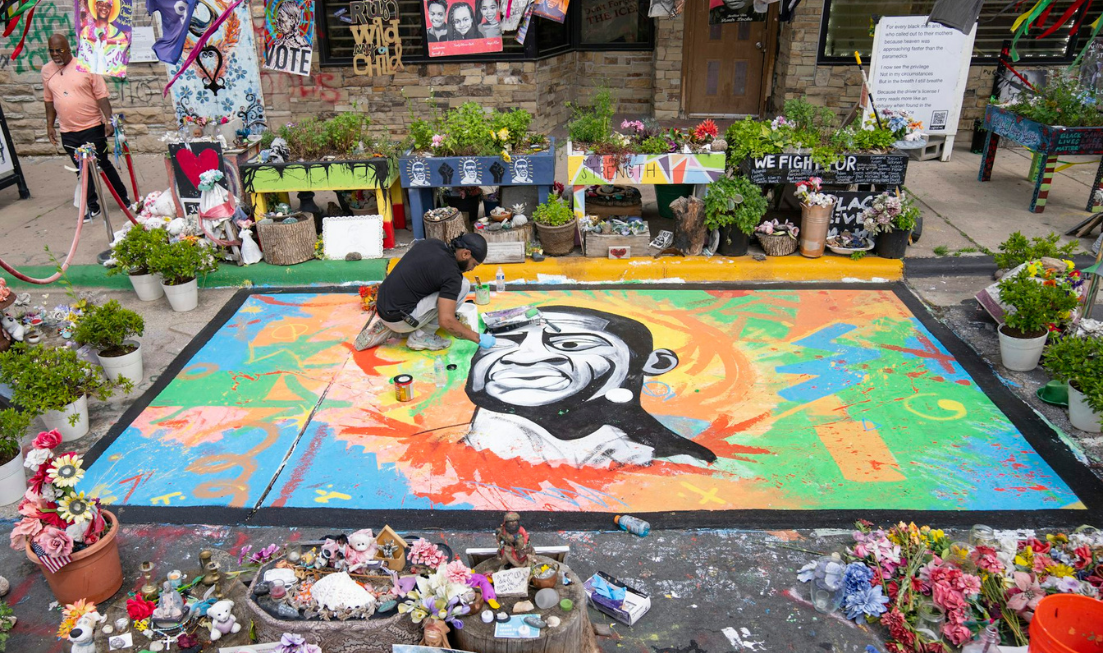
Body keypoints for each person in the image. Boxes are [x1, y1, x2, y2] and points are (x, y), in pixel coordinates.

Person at [463, 305, 718, 467]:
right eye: (504, 342)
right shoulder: (477, 441)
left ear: (655, 363)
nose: (524, 357)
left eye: (571, 344)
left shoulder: (673, 461)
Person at [355, 233, 496, 352]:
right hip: (399, 318)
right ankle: (420, 336)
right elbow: (446, 321)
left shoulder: (432, 243)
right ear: (466, 254)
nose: (472, 269)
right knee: (463, 285)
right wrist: (477, 337)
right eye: (474, 264)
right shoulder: (452, 275)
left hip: (384, 306)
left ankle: (390, 327)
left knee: (443, 289)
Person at [43, 34, 130, 222]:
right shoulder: (46, 71)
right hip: (68, 131)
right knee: (81, 171)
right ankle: (93, 207)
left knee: (102, 164)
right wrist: (50, 125)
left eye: (60, 50)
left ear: (69, 49)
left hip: (92, 126)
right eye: (52, 51)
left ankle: (124, 199)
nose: (55, 54)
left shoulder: (86, 65)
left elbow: (101, 95)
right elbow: (49, 101)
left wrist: (108, 120)